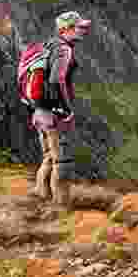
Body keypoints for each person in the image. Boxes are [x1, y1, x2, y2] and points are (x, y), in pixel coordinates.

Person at [31, 11, 91, 207]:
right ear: (66, 29)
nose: (83, 30)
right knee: (62, 163)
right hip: (54, 113)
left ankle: (41, 197)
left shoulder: (48, 45)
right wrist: (66, 109)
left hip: (40, 111)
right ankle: (61, 208)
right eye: (78, 27)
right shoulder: (64, 50)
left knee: (49, 156)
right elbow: (57, 80)